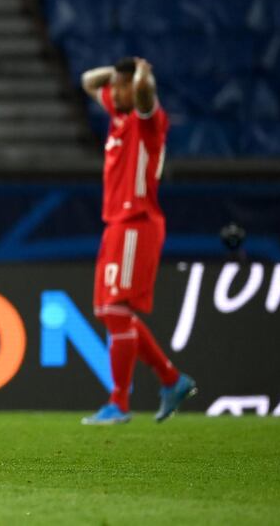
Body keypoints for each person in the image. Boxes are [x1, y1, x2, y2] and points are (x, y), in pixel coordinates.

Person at [79, 57, 196, 425]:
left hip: (137, 221)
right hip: (116, 222)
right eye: (114, 87)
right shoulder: (118, 115)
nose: (114, 92)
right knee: (107, 311)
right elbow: (87, 81)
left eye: (121, 86)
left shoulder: (148, 121)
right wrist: (116, 74)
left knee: (116, 311)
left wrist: (143, 74)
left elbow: (145, 93)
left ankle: (120, 403)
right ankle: (171, 380)